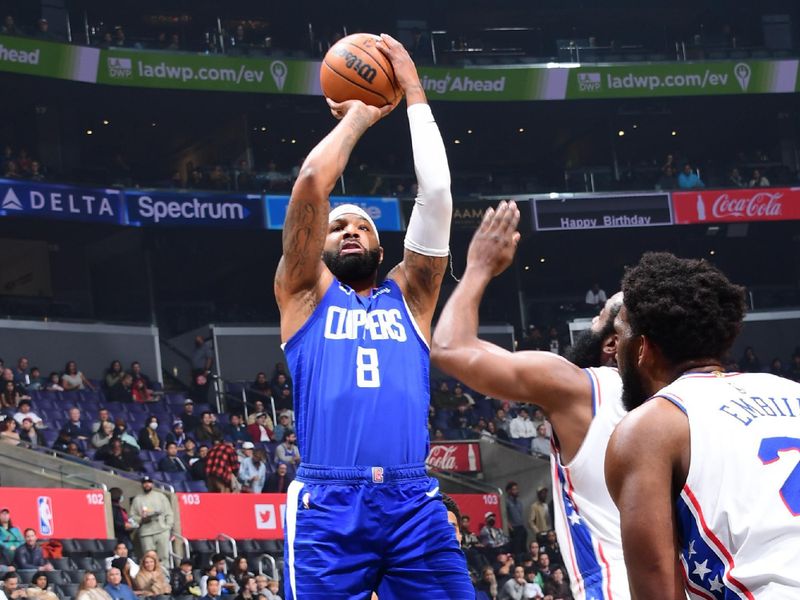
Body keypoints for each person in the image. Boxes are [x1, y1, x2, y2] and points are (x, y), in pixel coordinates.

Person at [273, 33, 470, 598]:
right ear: (319, 247)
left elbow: (437, 193)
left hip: (412, 502)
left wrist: (413, 92)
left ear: (384, 252)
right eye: (338, 226)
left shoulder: (412, 297)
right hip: (329, 504)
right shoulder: (304, 293)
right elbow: (312, 183)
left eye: (363, 226)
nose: (351, 230)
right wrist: (358, 116)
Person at [431, 201, 630, 599]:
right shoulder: (703, 399)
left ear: (612, 342)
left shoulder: (582, 387)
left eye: (598, 318)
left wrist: (479, 268)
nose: (590, 323)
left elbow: (449, 347)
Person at [605, 251, 800, 598]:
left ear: (642, 349)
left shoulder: (649, 428)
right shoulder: (790, 389)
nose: (612, 348)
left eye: (619, 334)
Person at [129, 476, 174, 562]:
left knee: (164, 556)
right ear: (142, 485)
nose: (147, 485)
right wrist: (141, 519)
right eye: (145, 483)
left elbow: (169, 513)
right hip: (146, 532)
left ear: (152, 484)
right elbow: (132, 517)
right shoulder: (137, 499)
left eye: (149, 483)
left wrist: (168, 526)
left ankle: (165, 575)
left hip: (162, 530)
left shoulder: (161, 496)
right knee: (149, 558)